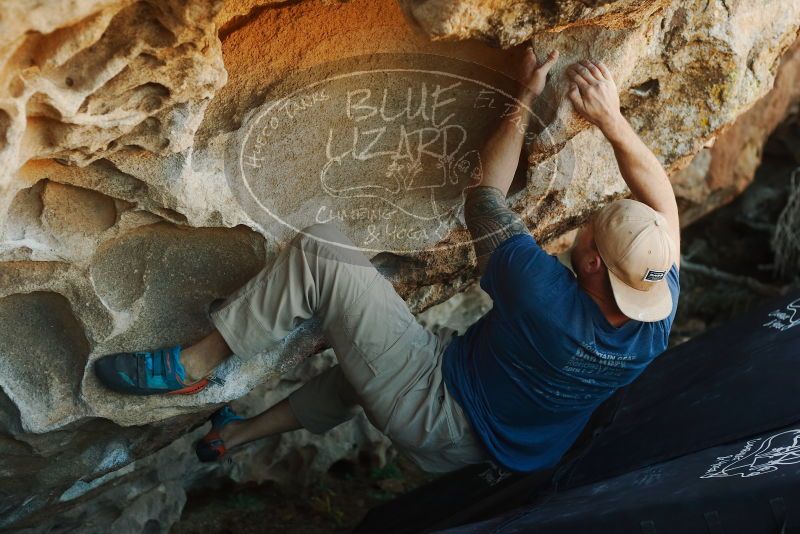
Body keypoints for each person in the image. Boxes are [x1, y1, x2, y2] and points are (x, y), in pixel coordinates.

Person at [94, 48, 680, 473]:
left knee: (325, 249)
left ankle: (196, 363)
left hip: (440, 413)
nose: (582, 228)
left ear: (595, 266)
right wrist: (612, 118)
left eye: (589, 232)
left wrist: (522, 96)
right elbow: (663, 205)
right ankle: (237, 434)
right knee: (370, 355)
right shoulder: (655, 311)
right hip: (498, 443)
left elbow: (486, 194)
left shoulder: (540, 291)